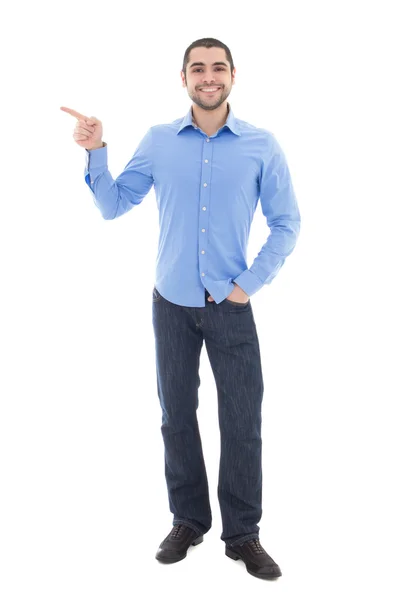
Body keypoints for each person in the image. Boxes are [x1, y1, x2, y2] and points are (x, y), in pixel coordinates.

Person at [60, 36, 301, 580]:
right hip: (169, 303)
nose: (208, 76)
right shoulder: (159, 140)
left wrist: (247, 285)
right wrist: (97, 151)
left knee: (242, 420)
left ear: (233, 77)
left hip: (230, 305)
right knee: (176, 416)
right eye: (198, 68)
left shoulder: (262, 145)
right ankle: (188, 520)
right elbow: (114, 205)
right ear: (184, 78)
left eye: (218, 68)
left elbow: (288, 223)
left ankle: (243, 534)